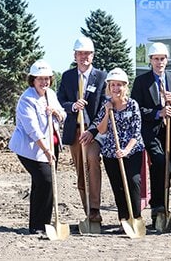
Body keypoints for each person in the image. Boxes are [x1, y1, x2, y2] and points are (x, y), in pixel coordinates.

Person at [9, 60, 66, 235]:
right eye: (40, 79)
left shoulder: (50, 95)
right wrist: (46, 150)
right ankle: (40, 224)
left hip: (51, 146)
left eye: (47, 78)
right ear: (32, 80)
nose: (44, 82)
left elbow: (62, 115)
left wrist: (56, 113)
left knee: (42, 184)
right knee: (46, 181)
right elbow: (32, 130)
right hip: (31, 149)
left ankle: (40, 224)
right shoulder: (27, 99)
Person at [131, 42, 171, 224]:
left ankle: (163, 206)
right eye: (156, 59)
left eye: (162, 59)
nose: (159, 62)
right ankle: (157, 207)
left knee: (167, 169)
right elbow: (136, 108)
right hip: (150, 132)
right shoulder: (142, 81)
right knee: (159, 162)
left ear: (167, 60)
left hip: (170, 130)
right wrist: (157, 113)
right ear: (150, 61)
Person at [57, 37, 107, 223]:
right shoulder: (68, 76)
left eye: (87, 53)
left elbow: (103, 108)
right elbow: (60, 100)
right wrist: (72, 106)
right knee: (80, 169)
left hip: (93, 132)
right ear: (75, 55)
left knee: (92, 161)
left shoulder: (101, 77)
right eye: (80, 53)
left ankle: (95, 208)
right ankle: (88, 210)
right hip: (75, 130)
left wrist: (92, 131)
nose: (83, 57)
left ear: (92, 55)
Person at [92, 68, 145, 224]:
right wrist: (108, 112)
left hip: (132, 150)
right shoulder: (106, 105)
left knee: (133, 181)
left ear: (125, 86)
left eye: (119, 85)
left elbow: (136, 132)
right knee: (118, 186)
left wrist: (126, 150)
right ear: (109, 86)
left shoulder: (132, 105)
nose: (116, 88)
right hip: (111, 152)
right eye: (113, 85)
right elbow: (101, 130)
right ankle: (123, 220)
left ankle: (135, 217)